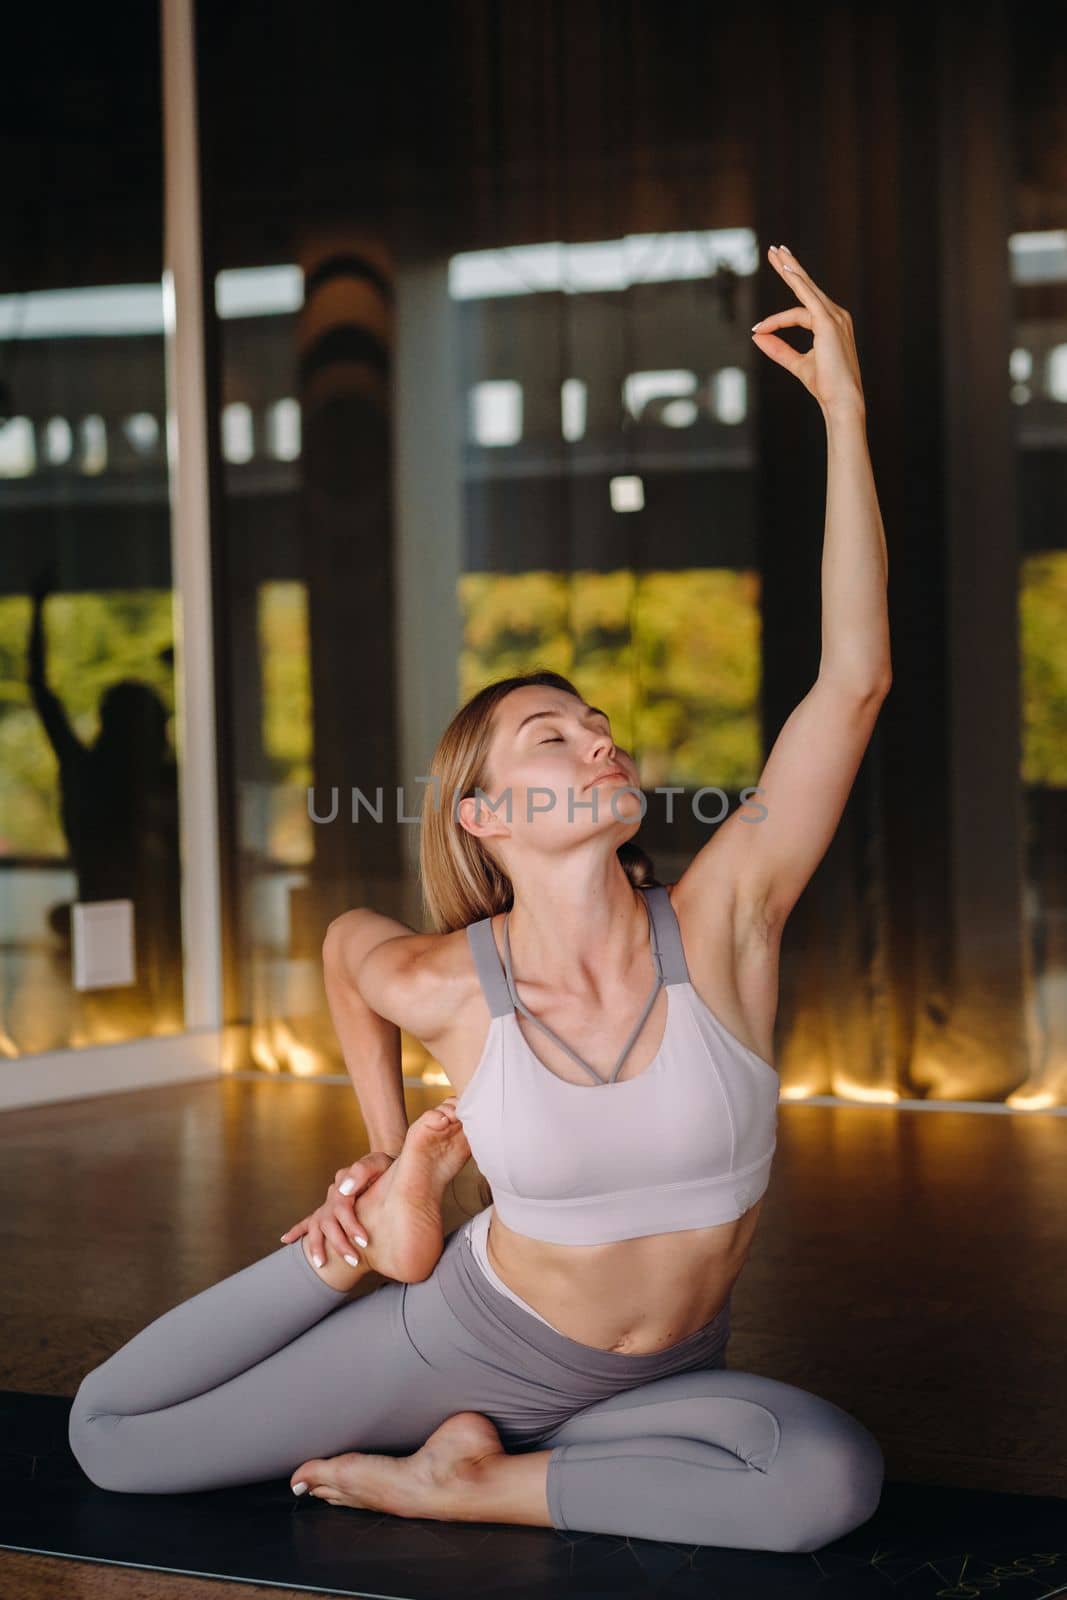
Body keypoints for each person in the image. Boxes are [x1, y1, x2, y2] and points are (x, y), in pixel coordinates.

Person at [68, 244, 891, 1549]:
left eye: (603, 725)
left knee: (829, 1482)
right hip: (471, 1342)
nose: (601, 741)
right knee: (111, 1443)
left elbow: (850, 683)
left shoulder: (726, 920)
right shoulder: (458, 985)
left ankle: (479, 1482)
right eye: (553, 737)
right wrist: (393, 1164)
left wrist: (844, 412)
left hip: (660, 1378)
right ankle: (396, 1309)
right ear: (485, 818)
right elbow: (348, 949)